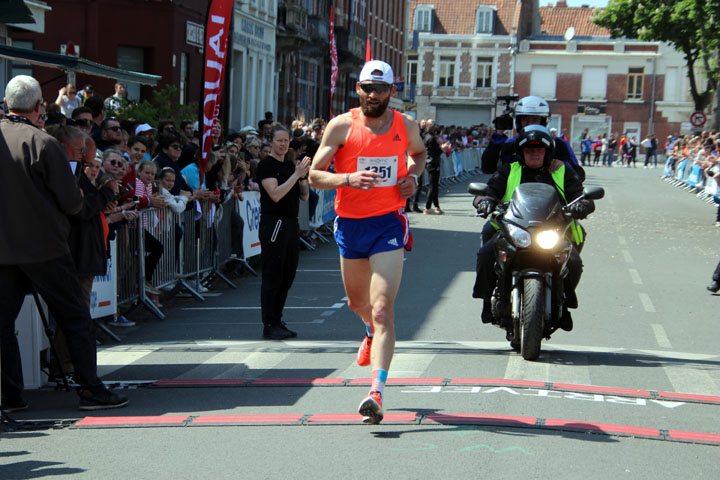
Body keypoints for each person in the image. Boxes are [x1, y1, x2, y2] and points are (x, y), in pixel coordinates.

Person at [0, 75, 128, 412]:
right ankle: (90, 389)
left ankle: (9, 395)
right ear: (40, 106)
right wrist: (98, 196)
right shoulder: (42, 143)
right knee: (75, 318)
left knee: (1, 323)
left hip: (4, 249)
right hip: (45, 248)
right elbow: (72, 203)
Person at [308, 60, 427, 424]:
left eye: (380, 89)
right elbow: (314, 175)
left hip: (387, 223)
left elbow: (419, 155)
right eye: (366, 88)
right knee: (357, 302)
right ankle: (367, 333)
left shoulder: (405, 125)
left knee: (382, 309)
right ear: (357, 89)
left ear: (393, 91)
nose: (372, 95)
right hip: (350, 225)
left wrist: (413, 178)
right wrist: (347, 178)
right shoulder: (342, 125)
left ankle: (376, 391)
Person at [472, 125, 594, 333]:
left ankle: (563, 305)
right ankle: (487, 301)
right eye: (529, 150)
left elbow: (580, 194)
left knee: (573, 262)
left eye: (539, 150)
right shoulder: (509, 170)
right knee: (485, 254)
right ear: (521, 152)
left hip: (552, 231)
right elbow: (489, 191)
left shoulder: (562, 170)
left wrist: (583, 204)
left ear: (547, 152)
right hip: (514, 228)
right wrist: (484, 202)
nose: (535, 154)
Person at [256, 124, 310, 340]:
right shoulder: (265, 165)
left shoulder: (290, 166)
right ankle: (269, 322)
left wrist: (303, 176)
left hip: (291, 223)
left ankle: (278, 318)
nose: (283, 144)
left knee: (288, 273)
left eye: (286, 140)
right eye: (279, 140)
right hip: (274, 223)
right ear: (271, 141)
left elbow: (304, 196)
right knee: (273, 274)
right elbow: (276, 194)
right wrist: (296, 175)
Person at [481, 95, 584, 181]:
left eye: (535, 119)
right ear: (518, 122)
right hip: (515, 198)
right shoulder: (510, 144)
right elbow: (487, 168)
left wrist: (563, 165)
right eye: (525, 120)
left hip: (551, 197)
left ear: (543, 121)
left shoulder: (559, 144)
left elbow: (579, 175)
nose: (530, 123)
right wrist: (498, 135)